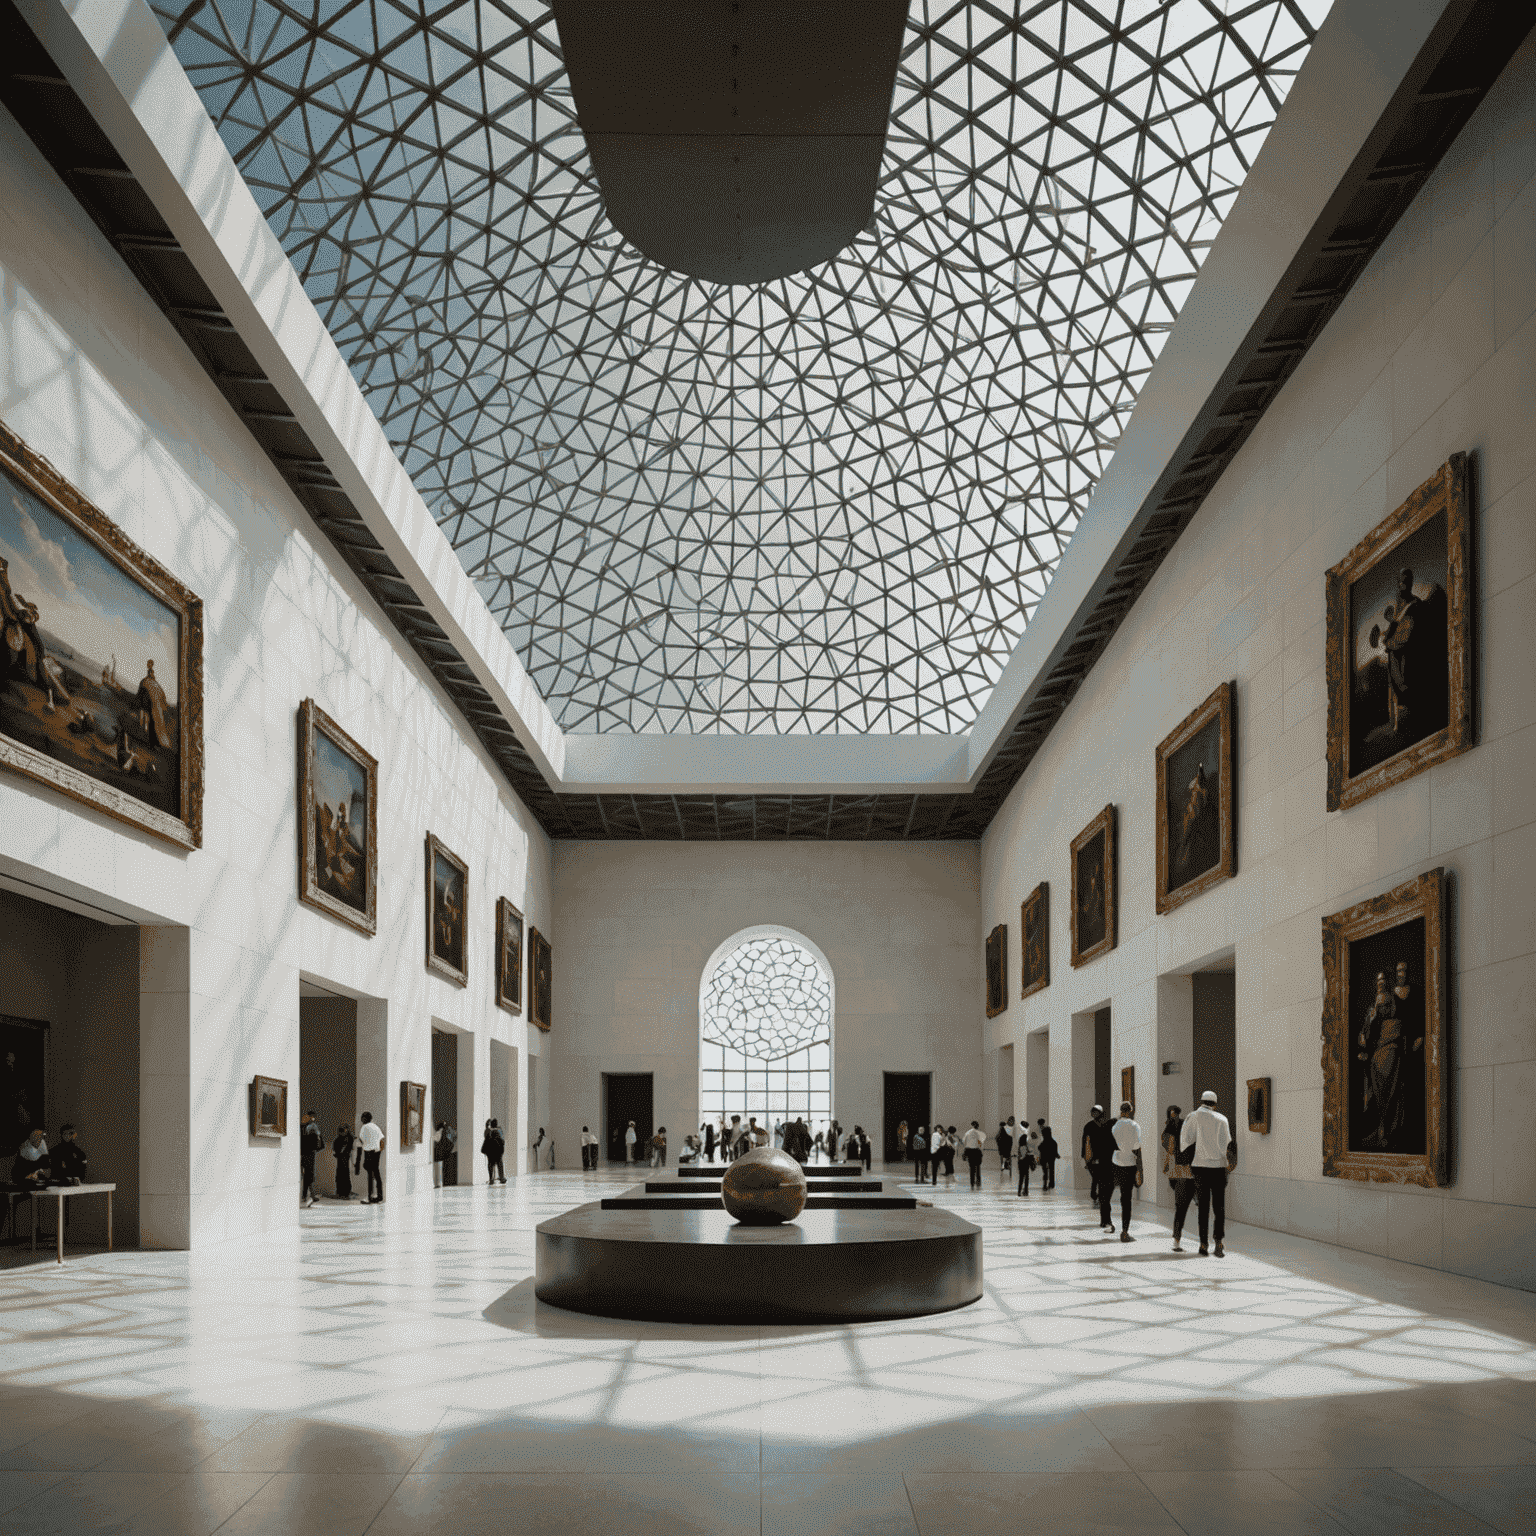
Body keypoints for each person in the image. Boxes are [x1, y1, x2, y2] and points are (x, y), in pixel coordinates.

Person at [1181, 1089, 1236, 1256]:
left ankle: (1203, 1244)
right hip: (1219, 1167)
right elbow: (1227, 1144)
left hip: (1200, 1167)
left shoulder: (1193, 1116)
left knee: (1203, 1207)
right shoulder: (1222, 1119)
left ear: (1201, 1101)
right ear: (1215, 1103)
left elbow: (1185, 1140)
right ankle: (1219, 1243)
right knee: (1219, 1207)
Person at [1162, 1105, 1196, 1251]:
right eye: (1172, 1114)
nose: (1173, 1116)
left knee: (1180, 1206)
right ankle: (1177, 1238)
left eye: (1175, 1114)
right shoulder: (1174, 1127)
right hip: (1181, 1169)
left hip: (1183, 1169)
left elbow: (1169, 1149)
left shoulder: (1176, 1126)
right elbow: (1169, 1149)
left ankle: (1177, 1238)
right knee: (1180, 1206)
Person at [1111, 1100, 1143, 1241]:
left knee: (1118, 1196)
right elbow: (1137, 1146)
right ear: (1130, 1110)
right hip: (1130, 1163)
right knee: (1127, 1199)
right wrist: (1140, 1170)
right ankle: (1125, 1231)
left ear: (1120, 1110)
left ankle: (1110, 1224)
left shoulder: (1115, 1126)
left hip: (1116, 1162)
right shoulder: (1134, 1125)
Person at [1083, 1106, 1118, 1232]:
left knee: (1104, 1195)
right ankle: (1106, 1220)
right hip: (1107, 1167)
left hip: (1102, 1165)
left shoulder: (1102, 1132)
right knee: (1106, 1196)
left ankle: (1105, 1220)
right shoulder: (1091, 1127)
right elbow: (1086, 1143)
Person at [1081, 1105, 1109, 1208]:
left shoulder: (1105, 1124)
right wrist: (1084, 1156)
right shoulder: (1088, 1126)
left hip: (1103, 1156)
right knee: (1096, 1177)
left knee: (1098, 1178)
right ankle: (1094, 1195)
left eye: (1096, 1112)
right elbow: (1084, 1142)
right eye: (1093, 1112)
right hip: (1091, 1157)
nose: (1094, 1114)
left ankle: (1096, 1195)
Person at [357, 1111, 384, 1202]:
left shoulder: (364, 1127)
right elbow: (382, 1140)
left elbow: (361, 1140)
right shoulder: (376, 1127)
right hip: (377, 1151)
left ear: (363, 1119)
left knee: (370, 1175)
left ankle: (369, 1196)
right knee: (376, 1174)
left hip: (369, 1152)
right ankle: (380, 1196)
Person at [300, 1109, 323, 1207]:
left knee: (307, 1174)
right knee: (309, 1174)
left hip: (305, 1152)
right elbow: (318, 1139)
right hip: (309, 1152)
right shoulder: (312, 1127)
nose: (313, 1119)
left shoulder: (303, 1126)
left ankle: (306, 1195)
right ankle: (310, 1195)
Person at [332, 1123, 355, 1200]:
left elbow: (340, 1149)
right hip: (343, 1158)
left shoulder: (347, 1138)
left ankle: (344, 1193)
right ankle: (342, 1193)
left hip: (343, 1158)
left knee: (343, 1175)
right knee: (342, 1175)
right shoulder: (346, 1138)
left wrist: (338, 1153)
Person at [962, 1121, 986, 1189]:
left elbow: (964, 1142)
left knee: (971, 1168)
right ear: (978, 1126)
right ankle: (978, 1183)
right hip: (977, 1152)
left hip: (970, 1152)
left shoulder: (968, 1132)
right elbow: (981, 1143)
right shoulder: (979, 1133)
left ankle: (972, 1183)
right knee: (978, 1168)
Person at [482, 1119, 506, 1184]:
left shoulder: (488, 1130)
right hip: (498, 1150)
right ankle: (501, 1178)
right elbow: (503, 1140)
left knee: (490, 1164)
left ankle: (491, 1179)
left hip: (490, 1151)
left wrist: (486, 1126)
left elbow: (485, 1137)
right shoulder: (499, 1130)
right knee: (499, 1164)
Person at [1038, 1125, 1058, 1190]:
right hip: (1051, 1158)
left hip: (1044, 1158)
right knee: (1051, 1171)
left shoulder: (1043, 1143)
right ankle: (1051, 1184)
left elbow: (1040, 1148)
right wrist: (1056, 1155)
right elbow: (1055, 1150)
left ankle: (1045, 1185)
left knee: (1045, 1172)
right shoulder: (1053, 1142)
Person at [997, 1118, 1014, 1183]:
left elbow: (997, 1138)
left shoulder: (1001, 1130)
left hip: (1002, 1147)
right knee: (1008, 1156)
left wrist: (999, 1144)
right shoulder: (1008, 1130)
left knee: (1002, 1156)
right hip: (1007, 1146)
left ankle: (1002, 1166)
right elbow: (1010, 1138)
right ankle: (1008, 1165)